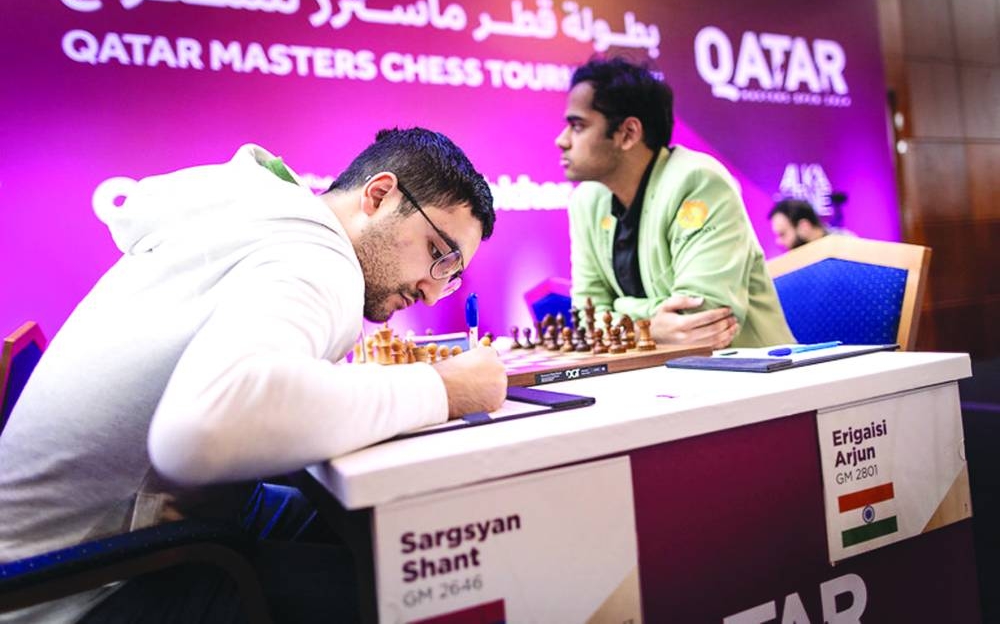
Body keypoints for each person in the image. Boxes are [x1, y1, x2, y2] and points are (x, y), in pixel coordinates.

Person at [0, 128, 506, 622]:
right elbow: (201, 430)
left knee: (386, 535)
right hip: (81, 588)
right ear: (378, 195)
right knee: (415, 592)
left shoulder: (262, 219)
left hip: (115, 540)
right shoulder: (315, 256)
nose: (435, 291)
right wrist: (444, 388)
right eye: (439, 254)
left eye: (453, 274)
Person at [555, 56, 792, 349]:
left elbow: (703, 320)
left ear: (628, 133)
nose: (562, 140)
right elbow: (587, 320)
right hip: (658, 377)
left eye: (577, 126)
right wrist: (652, 327)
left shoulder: (698, 181)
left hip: (754, 374)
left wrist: (620, 309)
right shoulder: (586, 201)